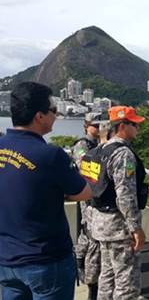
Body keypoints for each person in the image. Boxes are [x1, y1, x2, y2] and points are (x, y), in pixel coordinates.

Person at [0, 82, 92, 300]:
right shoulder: (49, 155)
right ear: (39, 116)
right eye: (53, 110)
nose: (56, 115)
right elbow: (84, 192)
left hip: (6, 258)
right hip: (45, 260)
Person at [88, 106, 148, 300]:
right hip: (118, 225)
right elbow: (125, 195)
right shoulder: (123, 154)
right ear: (122, 125)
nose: (138, 128)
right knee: (126, 283)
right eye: (135, 124)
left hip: (100, 223)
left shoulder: (99, 150)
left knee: (107, 277)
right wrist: (136, 228)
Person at [72, 112, 103, 300]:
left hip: (95, 194)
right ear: (87, 125)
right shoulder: (83, 145)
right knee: (90, 233)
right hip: (87, 194)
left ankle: (80, 261)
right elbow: (85, 168)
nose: (98, 129)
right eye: (95, 125)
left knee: (87, 233)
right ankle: (89, 276)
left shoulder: (97, 145)